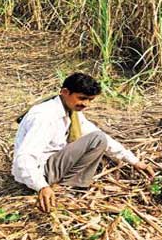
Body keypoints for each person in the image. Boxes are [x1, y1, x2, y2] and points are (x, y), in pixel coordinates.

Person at [12, 73, 154, 212]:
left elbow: (97, 134)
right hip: (40, 170)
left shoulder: (71, 110)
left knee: (98, 139)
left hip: (52, 163)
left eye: (90, 100)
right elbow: (25, 157)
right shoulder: (45, 116)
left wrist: (134, 161)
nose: (86, 104)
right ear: (65, 92)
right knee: (97, 140)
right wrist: (41, 186)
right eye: (82, 98)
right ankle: (68, 187)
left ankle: (64, 185)